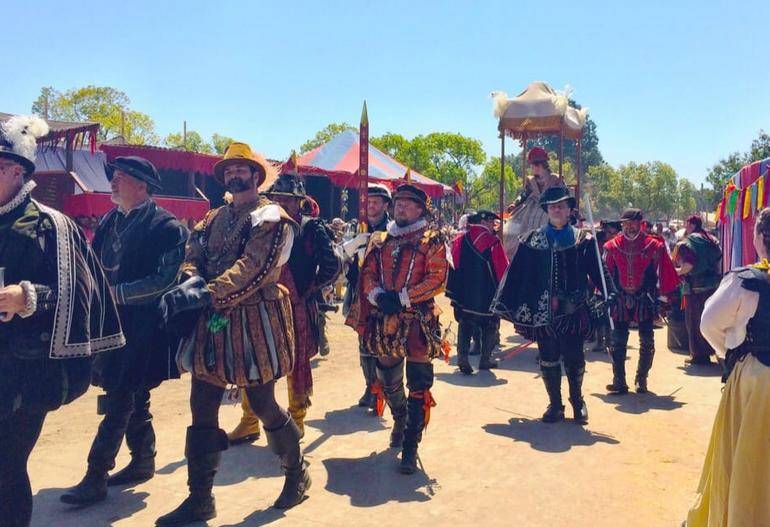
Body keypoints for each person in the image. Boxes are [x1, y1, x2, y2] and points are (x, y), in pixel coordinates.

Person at [155, 143, 308, 526]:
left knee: (262, 404)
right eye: (228, 172)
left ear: (257, 176)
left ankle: (296, 471)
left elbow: (254, 269)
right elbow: (194, 254)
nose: (234, 176)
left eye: (242, 170)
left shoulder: (271, 217)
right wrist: (189, 279)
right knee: (201, 404)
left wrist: (206, 291)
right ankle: (200, 499)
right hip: (214, 323)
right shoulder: (211, 219)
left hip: (255, 323)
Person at [0, 115, 125, 527]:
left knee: (6, 468)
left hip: (24, 372)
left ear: (19, 172)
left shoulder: (52, 226)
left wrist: (27, 297)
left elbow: (76, 297)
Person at [60, 157, 188, 506]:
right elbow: (92, 262)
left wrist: (113, 294)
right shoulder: (110, 220)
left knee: (121, 396)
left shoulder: (168, 227)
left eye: (120, 179)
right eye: (113, 177)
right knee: (133, 394)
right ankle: (144, 460)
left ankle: (96, 474)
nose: (113, 184)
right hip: (109, 324)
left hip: (144, 326)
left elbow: (164, 281)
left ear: (142, 185)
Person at [227, 172, 341, 444]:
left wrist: (310, 290)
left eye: (288, 200)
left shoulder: (312, 229)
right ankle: (250, 420)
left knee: (296, 362)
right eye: (277, 199)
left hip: (296, 305)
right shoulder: (257, 226)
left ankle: (296, 419)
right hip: (260, 305)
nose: (282, 204)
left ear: (299, 202)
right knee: (253, 359)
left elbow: (331, 266)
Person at [346, 184, 448, 473]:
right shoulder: (381, 239)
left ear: (420, 210)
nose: (400, 207)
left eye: (408, 204)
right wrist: (378, 295)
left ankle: (410, 446)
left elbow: (437, 279)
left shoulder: (433, 239)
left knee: (419, 382)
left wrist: (403, 297)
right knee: (387, 375)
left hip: (418, 320)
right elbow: (368, 273)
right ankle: (400, 419)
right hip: (385, 319)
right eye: (398, 203)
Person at [492, 187, 613, 423]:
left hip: (574, 311)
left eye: (562, 205)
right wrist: (509, 302)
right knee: (547, 357)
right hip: (543, 313)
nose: (557, 209)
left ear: (569, 210)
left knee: (575, 358)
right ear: (547, 210)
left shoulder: (583, 240)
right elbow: (518, 273)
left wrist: (612, 292)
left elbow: (599, 271)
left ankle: (578, 402)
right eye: (552, 206)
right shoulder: (531, 239)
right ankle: (555, 405)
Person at [684, 207, 770, 527]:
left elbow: (709, 324)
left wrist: (731, 352)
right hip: (756, 375)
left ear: (760, 238)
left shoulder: (745, 281)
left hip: (757, 380)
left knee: (748, 459)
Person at [603, 208, 679, 394]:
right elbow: (605, 275)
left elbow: (664, 274)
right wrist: (604, 296)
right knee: (617, 341)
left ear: (640, 223)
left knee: (647, 341)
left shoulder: (654, 246)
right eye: (626, 223)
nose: (629, 227)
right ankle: (619, 380)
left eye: (633, 223)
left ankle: (641, 379)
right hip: (620, 298)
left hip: (645, 298)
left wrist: (663, 299)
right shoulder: (611, 246)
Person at [342, 183, 392, 411]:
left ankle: (384, 389)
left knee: (382, 344)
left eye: (375, 201)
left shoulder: (393, 229)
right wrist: (353, 247)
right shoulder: (356, 227)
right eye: (368, 201)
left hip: (382, 294)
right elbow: (343, 256)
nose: (370, 205)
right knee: (363, 344)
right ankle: (369, 386)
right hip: (359, 293)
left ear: (385, 204)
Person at [446, 210, 508, 374]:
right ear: (485, 222)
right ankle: (485, 360)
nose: (492, 225)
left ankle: (462, 358)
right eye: (491, 222)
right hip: (487, 291)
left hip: (465, 292)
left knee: (465, 322)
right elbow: (502, 268)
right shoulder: (492, 241)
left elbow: (454, 264)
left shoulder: (460, 240)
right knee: (490, 324)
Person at [672, 214, 722, 366]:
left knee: (694, 321)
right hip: (713, 286)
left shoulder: (691, 240)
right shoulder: (711, 238)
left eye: (687, 224)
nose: (685, 227)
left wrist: (676, 272)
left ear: (692, 225)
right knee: (709, 320)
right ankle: (711, 351)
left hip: (696, 287)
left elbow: (689, 266)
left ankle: (699, 356)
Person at [502, 147, 566, 258]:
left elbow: (564, 194)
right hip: (531, 206)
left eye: (533, 166)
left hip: (549, 205)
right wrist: (515, 203)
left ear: (540, 165)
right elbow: (524, 194)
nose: (532, 168)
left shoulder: (555, 178)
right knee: (515, 222)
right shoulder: (531, 180)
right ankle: (517, 251)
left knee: (545, 220)